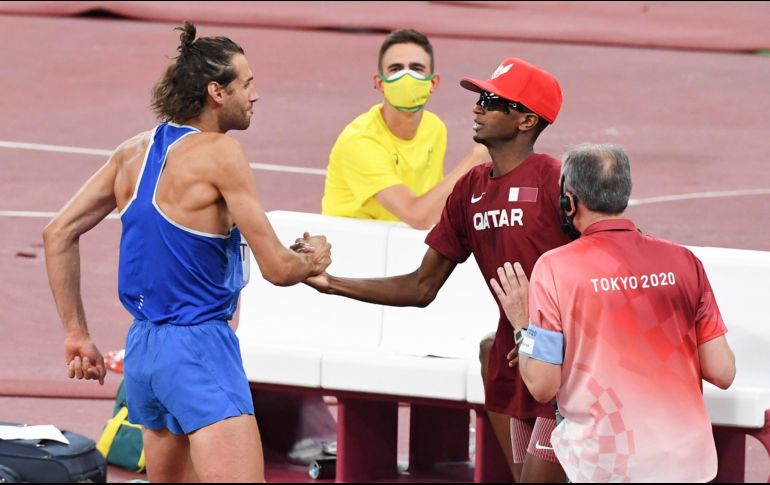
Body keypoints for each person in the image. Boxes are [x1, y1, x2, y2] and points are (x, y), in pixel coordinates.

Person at [42, 22, 332, 483]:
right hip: (199, 348)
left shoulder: (131, 153)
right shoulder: (222, 153)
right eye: (248, 83)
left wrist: (76, 333)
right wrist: (311, 259)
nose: (255, 94)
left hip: (144, 352)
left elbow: (57, 234)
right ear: (217, 92)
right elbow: (278, 268)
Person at [304, 57, 571, 482]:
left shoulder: (555, 181)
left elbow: (601, 262)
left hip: (560, 366)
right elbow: (422, 285)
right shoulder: (470, 189)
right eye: (479, 98)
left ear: (526, 120)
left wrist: (554, 338)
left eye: (492, 100)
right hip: (508, 360)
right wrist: (332, 284)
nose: (477, 107)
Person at [491, 143, 736, 482]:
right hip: (689, 461)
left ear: (568, 202)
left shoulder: (556, 268)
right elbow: (722, 371)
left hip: (607, 463)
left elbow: (542, 386)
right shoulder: (684, 262)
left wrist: (522, 325)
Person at [321, 28, 488, 230]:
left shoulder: (434, 128)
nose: (406, 77)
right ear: (379, 83)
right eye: (396, 69)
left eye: (416, 68)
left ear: (433, 83)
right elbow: (418, 216)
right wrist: (478, 155)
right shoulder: (360, 141)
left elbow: (434, 207)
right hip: (353, 247)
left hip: (399, 241)